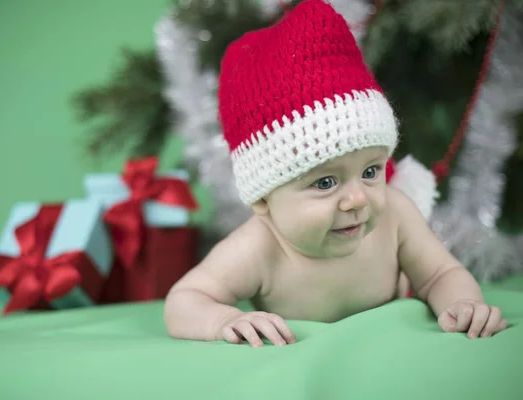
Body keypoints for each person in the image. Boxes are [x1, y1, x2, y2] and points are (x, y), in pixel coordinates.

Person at [163, 0, 508, 347]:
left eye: (371, 170)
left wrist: (464, 304)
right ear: (264, 199)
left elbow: (440, 273)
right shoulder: (259, 248)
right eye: (325, 182)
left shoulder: (394, 213)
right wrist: (225, 319)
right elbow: (185, 299)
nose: (359, 198)